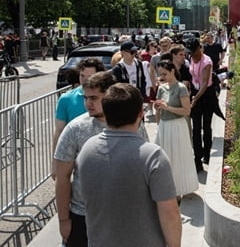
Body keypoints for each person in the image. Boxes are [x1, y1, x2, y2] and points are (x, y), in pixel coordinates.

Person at [77, 84, 181, 247]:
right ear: (140, 113)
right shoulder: (153, 157)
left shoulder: (87, 150)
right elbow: (170, 213)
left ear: (105, 111)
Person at [54, 71, 148, 247]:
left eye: (94, 98)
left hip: (122, 216)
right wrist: (64, 220)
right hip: (82, 217)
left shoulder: (133, 124)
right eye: (86, 97)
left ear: (110, 96)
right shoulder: (75, 129)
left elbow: (142, 166)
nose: (88, 103)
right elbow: (62, 177)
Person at [51, 58, 105, 179]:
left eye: (90, 76)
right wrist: (55, 162)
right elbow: (59, 131)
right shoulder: (66, 99)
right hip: (75, 160)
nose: (85, 80)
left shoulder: (109, 96)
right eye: (82, 76)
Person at [154, 60, 197, 199]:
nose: (162, 77)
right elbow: (159, 110)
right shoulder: (161, 88)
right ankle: (169, 187)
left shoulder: (181, 88)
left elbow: (186, 110)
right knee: (165, 157)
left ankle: (181, 188)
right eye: (160, 74)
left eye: (164, 74)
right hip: (165, 125)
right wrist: (158, 111)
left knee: (179, 156)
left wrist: (168, 108)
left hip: (177, 125)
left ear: (172, 71)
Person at [188, 38, 219, 171]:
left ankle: (207, 154)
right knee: (196, 128)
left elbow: (205, 83)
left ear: (199, 49)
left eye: (193, 51)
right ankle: (197, 157)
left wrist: (196, 98)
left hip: (206, 95)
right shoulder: (191, 58)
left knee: (206, 126)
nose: (192, 55)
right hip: (196, 93)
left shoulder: (207, 62)